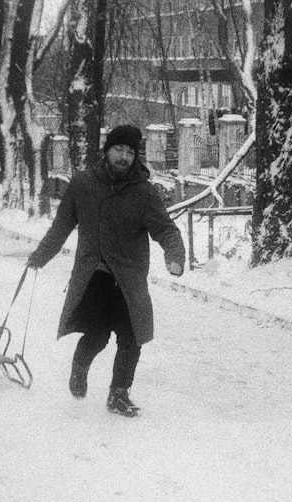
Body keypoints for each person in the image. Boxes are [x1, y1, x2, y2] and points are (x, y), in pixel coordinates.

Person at [26, 125, 185, 417]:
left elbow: (166, 229)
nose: (123, 156)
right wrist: (39, 256)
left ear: (136, 156)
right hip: (94, 275)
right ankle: (79, 368)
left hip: (129, 278)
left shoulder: (144, 192)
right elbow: (61, 226)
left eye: (129, 152)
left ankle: (118, 394)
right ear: (107, 150)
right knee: (97, 335)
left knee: (132, 337)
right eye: (118, 150)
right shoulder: (83, 184)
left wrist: (175, 256)